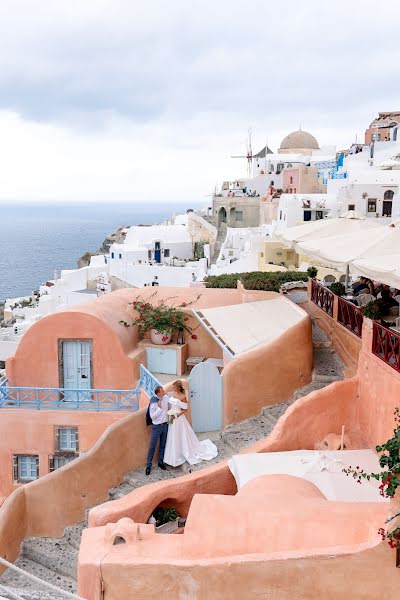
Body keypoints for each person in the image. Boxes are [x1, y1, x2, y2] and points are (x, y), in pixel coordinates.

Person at [163, 380, 218, 468]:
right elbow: (171, 405)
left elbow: (185, 409)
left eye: (174, 387)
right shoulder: (173, 394)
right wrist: (170, 413)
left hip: (179, 419)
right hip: (172, 418)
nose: (173, 388)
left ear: (178, 387)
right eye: (173, 387)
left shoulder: (183, 396)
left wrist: (176, 415)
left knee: (180, 436)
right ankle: (172, 457)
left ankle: (181, 454)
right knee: (173, 436)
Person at [145, 385, 169, 476]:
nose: (164, 392)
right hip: (157, 427)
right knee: (152, 446)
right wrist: (159, 409)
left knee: (163, 445)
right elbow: (152, 416)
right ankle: (148, 465)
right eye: (162, 391)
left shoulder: (166, 398)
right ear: (158, 393)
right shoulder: (154, 402)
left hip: (165, 425)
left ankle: (160, 462)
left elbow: (172, 403)